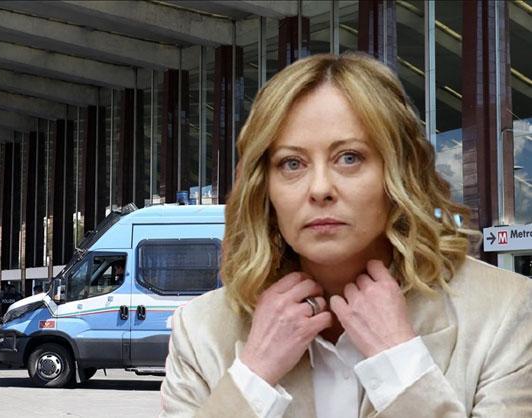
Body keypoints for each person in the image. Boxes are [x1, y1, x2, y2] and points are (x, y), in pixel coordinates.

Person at [160, 53, 531, 417]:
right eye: (292, 163)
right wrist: (253, 377)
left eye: (349, 157)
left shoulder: (505, 313)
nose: (320, 188)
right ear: (265, 188)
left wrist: (400, 366)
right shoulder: (201, 331)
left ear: (398, 173)